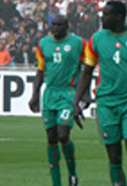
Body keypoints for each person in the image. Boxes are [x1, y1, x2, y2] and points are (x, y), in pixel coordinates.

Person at [72, 1, 127, 186]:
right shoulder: (96, 39)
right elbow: (86, 72)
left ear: (118, 16)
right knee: (114, 157)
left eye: (105, 14)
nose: (101, 17)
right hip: (106, 104)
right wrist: (76, 102)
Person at [28, 15, 85, 186]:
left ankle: (73, 174)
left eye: (59, 25)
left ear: (67, 26)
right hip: (50, 94)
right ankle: (56, 183)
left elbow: (86, 69)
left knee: (63, 133)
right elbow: (40, 70)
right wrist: (35, 94)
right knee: (51, 137)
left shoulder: (78, 43)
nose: (55, 28)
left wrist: (84, 93)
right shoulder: (43, 44)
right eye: (53, 25)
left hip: (68, 94)